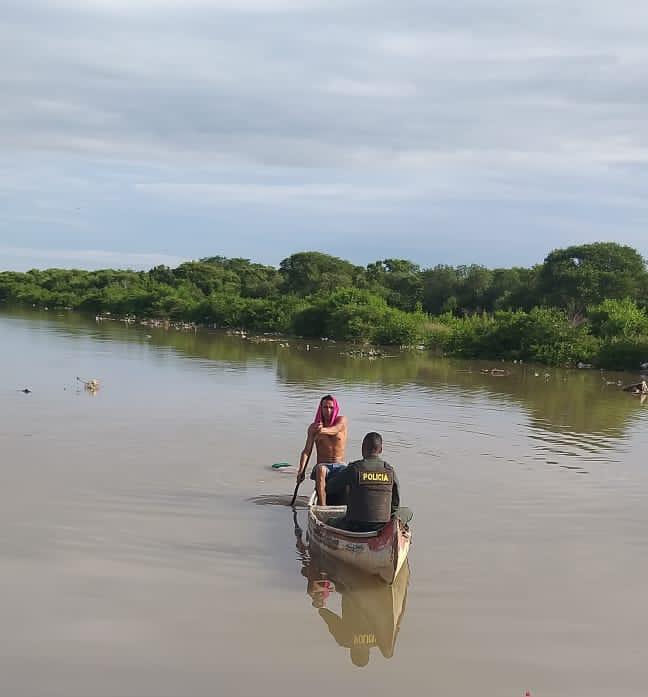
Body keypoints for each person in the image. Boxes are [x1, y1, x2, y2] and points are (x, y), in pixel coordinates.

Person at [325, 432, 399, 533]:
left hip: (354, 525)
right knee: (406, 512)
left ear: (363, 447)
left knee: (328, 521)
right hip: (381, 525)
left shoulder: (354, 468)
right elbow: (395, 503)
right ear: (381, 450)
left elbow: (330, 488)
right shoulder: (390, 471)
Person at [296, 395, 348, 505]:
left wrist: (321, 430)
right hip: (323, 466)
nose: (328, 410)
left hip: (340, 465)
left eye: (331, 408)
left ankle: (349, 505)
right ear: (321, 408)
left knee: (352, 470)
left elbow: (335, 430)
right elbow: (306, 451)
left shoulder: (341, 421)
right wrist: (301, 471)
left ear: (335, 409)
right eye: (325, 407)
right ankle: (322, 506)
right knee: (320, 470)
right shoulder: (313, 428)